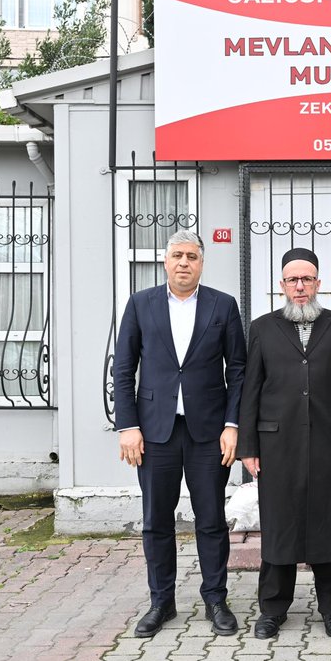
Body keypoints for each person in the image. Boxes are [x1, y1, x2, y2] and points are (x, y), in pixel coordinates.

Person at [113, 229, 246, 638]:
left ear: (202, 263)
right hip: (155, 432)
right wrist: (128, 426)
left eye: (192, 256)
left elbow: (238, 370)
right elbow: (122, 369)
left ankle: (215, 599)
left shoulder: (223, 306)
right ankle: (161, 602)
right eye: (177, 256)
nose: (184, 262)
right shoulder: (141, 304)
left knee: (210, 519)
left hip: (208, 432)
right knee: (156, 520)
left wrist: (232, 424)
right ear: (165, 262)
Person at [238, 248, 331, 639]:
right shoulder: (261, 328)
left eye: (306, 279)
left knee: (330, 526)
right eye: (292, 280)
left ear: (318, 284)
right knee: (280, 527)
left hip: (330, 444)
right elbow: (251, 391)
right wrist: (248, 447)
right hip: (277, 445)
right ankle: (272, 610)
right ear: (281, 285)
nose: (299, 287)